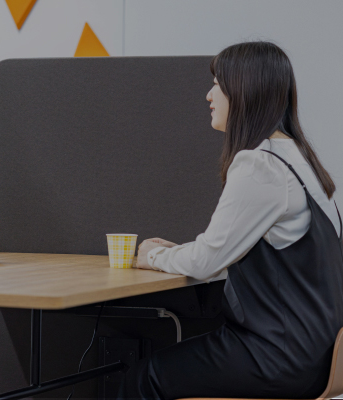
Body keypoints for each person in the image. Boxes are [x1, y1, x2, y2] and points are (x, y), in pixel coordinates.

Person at [123, 41, 343, 399]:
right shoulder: (300, 160)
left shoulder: (260, 165)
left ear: (243, 91)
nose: (209, 95)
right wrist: (184, 251)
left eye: (217, 84)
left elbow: (206, 262)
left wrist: (154, 256)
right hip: (317, 355)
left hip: (277, 357)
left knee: (144, 377)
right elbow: (230, 250)